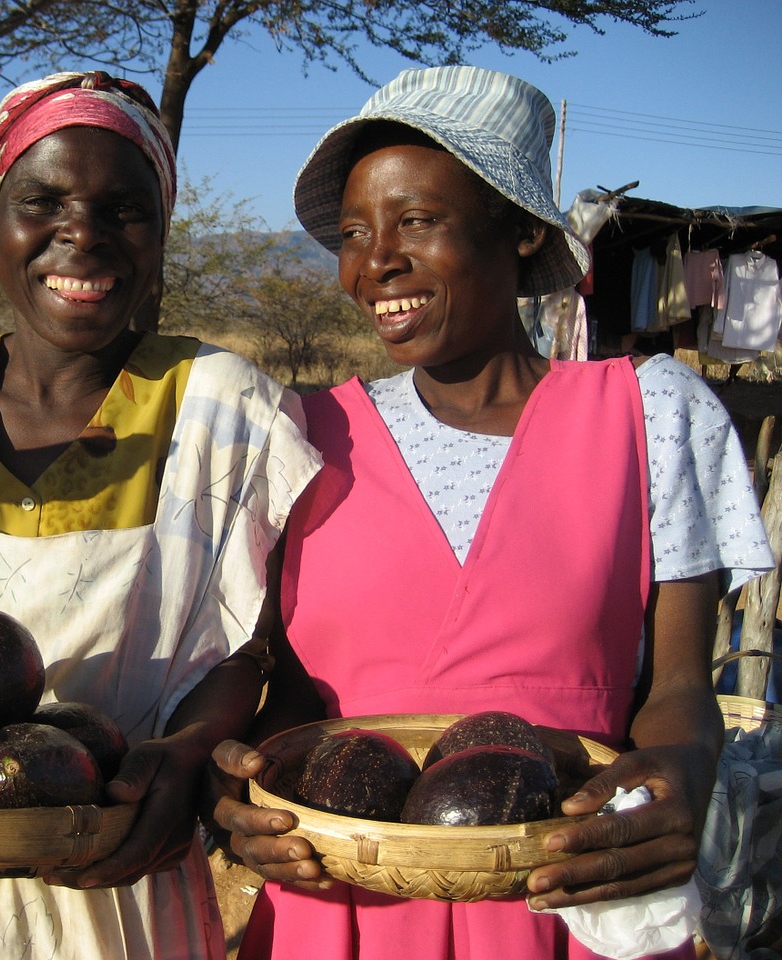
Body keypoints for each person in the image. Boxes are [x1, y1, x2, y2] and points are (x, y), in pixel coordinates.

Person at [208, 65, 776, 960]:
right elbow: (288, 696)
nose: (376, 260)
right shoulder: (303, 437)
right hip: (344, 908)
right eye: (354, 233)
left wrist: (687, 770)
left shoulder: (652, 413)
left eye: (418, 221)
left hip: (570, 895)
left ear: (517, 232)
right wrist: (252, 793)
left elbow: (676, 687)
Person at [0, 71, 322, 960]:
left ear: (160, 234)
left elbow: (246, 651)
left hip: (115, 885)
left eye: (126, 209)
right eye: (42, 201)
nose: (83, 235)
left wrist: (191, 750)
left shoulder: (231, 413)